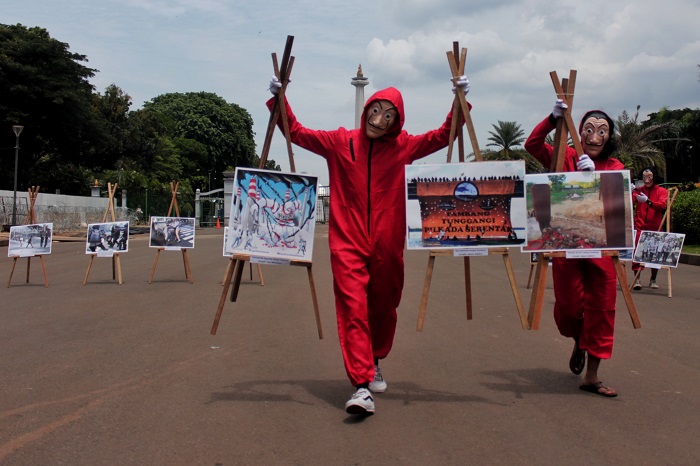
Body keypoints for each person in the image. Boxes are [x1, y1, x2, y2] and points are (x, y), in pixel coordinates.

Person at [267, 73, 470, 414]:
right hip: (346, 240)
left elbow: (442, 136)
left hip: (388, 243)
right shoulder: (339, 141)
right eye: (375, 111)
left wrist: (460, 102)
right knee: (352, 308)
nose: (379, 120)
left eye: (388, 116)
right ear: (366, 110)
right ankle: (361, 386)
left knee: (383, 305)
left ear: (397, 121)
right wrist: (279, 98)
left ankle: (375, 357)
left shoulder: (405, 146)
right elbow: (297, 132)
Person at [524, 99, 623, 398]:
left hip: (602, 252)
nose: (594, 137)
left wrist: (598, 177)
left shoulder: (614, 165)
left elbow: (618, 198)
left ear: (608, 137)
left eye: (602, 131)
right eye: (589, 130)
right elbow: (532, 144)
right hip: (566, 248)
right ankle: (580, 339)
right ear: (580, 133)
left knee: (602, 310)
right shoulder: (562, 157)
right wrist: (553, 119)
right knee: (568, 308)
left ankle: (591, 375)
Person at [631, 166, 668, 290]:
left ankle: (653, 279)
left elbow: (662, 205)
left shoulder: (661, 191)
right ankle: (637, 280)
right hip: (640, 226)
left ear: (654, 176)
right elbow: (629, 203)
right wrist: (629, 192)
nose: (646, 178)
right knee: (637, 252)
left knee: (654, 254)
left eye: (649, 175)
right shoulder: (639, 190)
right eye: (644, 176)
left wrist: (648, 201)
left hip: (655, 227)